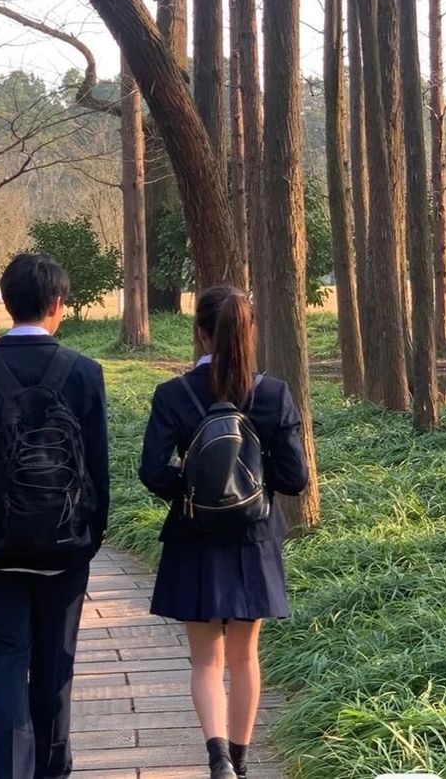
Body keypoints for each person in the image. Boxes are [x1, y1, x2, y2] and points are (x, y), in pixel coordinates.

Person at [0, 253, 110, 779]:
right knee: (55, 672)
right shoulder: (84, 374)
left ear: (5, 302)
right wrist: (88, 537)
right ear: (58, 304)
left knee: (5, 668)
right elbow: (97, 471)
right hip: (64, 552)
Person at [139, 285, 308, 779]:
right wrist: (253, 485)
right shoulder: (273, 394)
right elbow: (295, 478)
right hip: (253, 538)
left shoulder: (174, 394)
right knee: (244, 656)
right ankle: (240, 760)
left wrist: (191, 489)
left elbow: (152, 472)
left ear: (199, 333)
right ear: (249, 332)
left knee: (205, 661)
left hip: (194, 536)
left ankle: (216, 759)